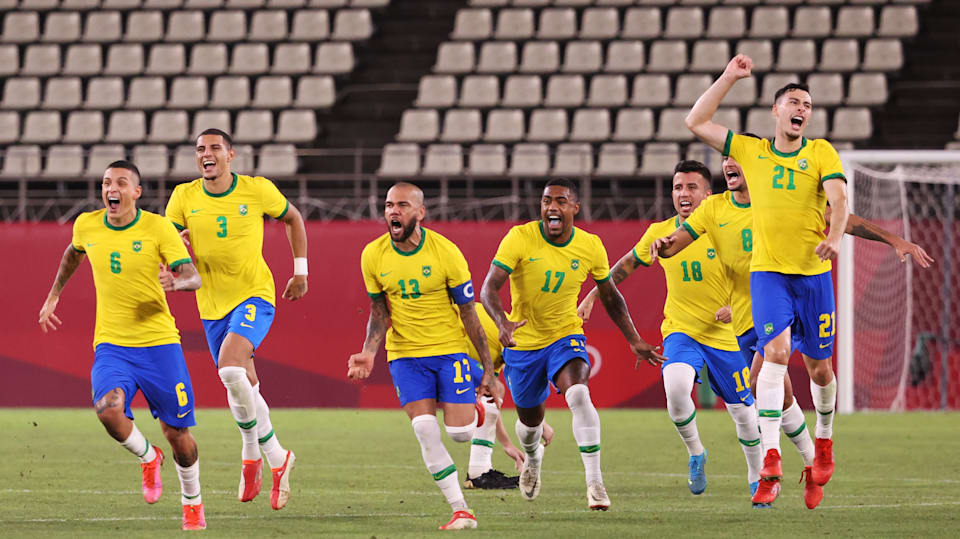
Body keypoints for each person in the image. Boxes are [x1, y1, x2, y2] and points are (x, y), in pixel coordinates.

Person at [651, 146, 934, 508]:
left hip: (790, 298)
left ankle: (775, 468)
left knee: (783, 376)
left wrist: (894, 239)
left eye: (736, 156)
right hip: (744, 317)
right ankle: (810, 461)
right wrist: (664, 246)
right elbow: (677, 242)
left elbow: (843, 220)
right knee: (782, 397)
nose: (729, 163)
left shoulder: (782, 200)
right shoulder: (714, 208)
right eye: (725, 158)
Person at [685, 54, 850, 505]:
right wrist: (730, 77)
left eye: (808, 105)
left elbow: (838, 199)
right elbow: (696, 120)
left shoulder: (820, 153)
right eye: (794, 102)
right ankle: (771, 459)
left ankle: (824, 441)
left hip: (814, 277)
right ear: (776, 111)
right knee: (773, 356)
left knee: (820, 369)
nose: (802, 109)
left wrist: (834, 237)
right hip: (769, 274)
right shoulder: (751, 151)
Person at [579, 161, 764, 504]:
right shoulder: (660, 233)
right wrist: (593, 294)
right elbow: (624, 267)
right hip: (682, 331)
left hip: (726, 335)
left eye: (692, 187)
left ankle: (757, 478)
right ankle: (696, 453)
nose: (683, 194)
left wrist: (740, 307)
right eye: (678, 187)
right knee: (675, 387)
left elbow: (759, 273)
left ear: (709, 195)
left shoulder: (723, 226)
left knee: (744, 416)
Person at [38, 161, 206, 530]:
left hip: (160, 344)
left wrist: (177, 283)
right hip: (112, 345)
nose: (111, 188)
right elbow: (73, 253)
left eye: (121, 183)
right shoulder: (87, 224)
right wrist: (54, 296)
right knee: (108, 410)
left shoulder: (158, 227)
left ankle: (192, 500)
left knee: (178, 434)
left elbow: (191, 274)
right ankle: (148, 458)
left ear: (136, 192)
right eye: (106, 182)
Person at [480, 178, 664, 511]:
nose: (552, 207)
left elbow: (610, 295)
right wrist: (502, 322)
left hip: (565, 335)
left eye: (561, 201)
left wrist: (634, 338)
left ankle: (595, 483)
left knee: (578, 393)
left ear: (574, 208)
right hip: (523, 344)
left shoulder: (590, 245)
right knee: (530, 425)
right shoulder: (519, 237)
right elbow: (488, 288)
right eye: (546, 200)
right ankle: (533, 459)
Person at [164, 128, 307, 510]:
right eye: (199, 149)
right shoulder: (184, 196)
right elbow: (168, 240)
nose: (205, 154)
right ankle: (275, 459)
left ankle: (256, 454)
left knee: (230, 369)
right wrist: (173, 258)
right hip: (211, 306)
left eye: (213, 148)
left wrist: (301, 271)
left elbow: (293, 218)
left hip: (254, 295)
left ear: (231, 154)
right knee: (244, 385)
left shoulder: (257, 189)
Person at [347, 182, 498, 530]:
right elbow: (378, 309)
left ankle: (482, 411)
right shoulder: (373, 254)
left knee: (460, 434)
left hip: (449, 352)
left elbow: (469, 314)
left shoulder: (446, 252)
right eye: (388, 205)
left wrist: (487, 370)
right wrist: (370, 351)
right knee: (425, 430)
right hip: (405, 356)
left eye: (402, 205)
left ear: (420, 212)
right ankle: (461, 510)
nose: (393, 212)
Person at [460, 303, 556, 490]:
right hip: (438, 344)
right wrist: (539, 423)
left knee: (492, 391)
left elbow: (491, 404)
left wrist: (507, 445)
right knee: (494, 389)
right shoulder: (516, 340)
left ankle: (479, 471)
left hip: (444, 347)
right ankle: (479, 472)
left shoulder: (502, 344)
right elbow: (521, 391)